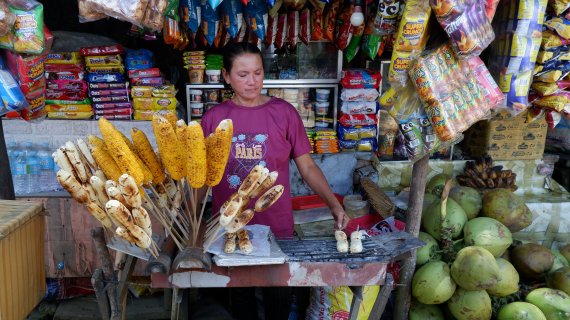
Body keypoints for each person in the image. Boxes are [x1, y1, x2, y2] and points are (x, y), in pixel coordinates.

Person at [200, 42, 350, 320]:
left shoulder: (284, 113)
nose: (252, 81)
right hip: (232, 228)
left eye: (257, 73)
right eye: (243, 74)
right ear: (226, 76)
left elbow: (307, 166)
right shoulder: (213, 119)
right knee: (241, 297)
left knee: (278, 295)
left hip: (277, 226)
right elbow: (201, 176)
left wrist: (333, 205)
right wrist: (194, 222)